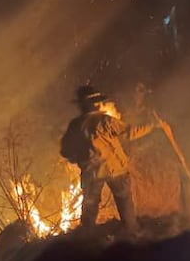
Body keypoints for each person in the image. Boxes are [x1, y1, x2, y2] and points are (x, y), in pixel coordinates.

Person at [60, 86, 163, 233]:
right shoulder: (105, 120)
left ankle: (86, 239)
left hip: (92, 173)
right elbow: (130, 132)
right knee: (124, 201)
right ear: (93, 104)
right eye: (97, 102)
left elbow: (66, 150)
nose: (100, 104)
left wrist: (77, 158)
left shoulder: (75, 125)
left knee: (90, 206)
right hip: (116, 169)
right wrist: (151, 125)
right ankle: (132, 233)